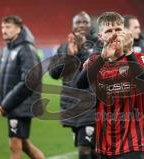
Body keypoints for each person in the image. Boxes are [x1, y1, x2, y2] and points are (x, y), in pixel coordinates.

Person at [76, 12, 144, 159]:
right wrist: (102, 58)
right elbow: (80, 84)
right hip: (105, 143)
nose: (114, 35)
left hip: (133, 142)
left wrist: (129, 53)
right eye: (109, 31)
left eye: (118, 30)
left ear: (125, 32)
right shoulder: (96, 61)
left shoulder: (140, 57)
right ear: (100, 36)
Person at [0, 16, 45, 159]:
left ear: (19, 29)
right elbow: (0, 78)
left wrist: (6, 104)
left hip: (21, 105)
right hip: (12, 105)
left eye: (8, 27)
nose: (4, 31)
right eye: (3, 27)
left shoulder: (26, 49)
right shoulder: (5, 50)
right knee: (25, 145)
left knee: (15, 146)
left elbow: (29, 81)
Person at [48, 11, 97, 159]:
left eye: (85, 22)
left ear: (90, 25)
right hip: (72, 106)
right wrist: (68, 56)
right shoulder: (63, 48)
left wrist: (81, 51)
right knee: (93, 150)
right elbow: (53, 73)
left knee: (84, 150)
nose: (81, 25)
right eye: (78, 22)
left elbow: (96, 68)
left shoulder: (98, 45)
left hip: (92, 105)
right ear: (72, 26)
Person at [124, 15, 144, 98]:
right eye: (135, 27)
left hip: (138, 95)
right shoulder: (114, 46)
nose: (139, 31)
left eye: (139, 27)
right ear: (125, 29)